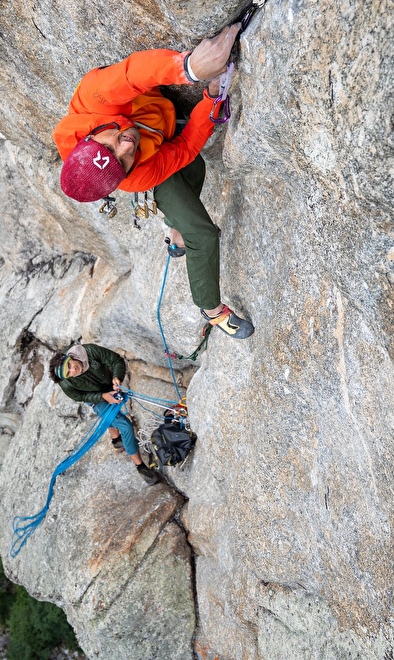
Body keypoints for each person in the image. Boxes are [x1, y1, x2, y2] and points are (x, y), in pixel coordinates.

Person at [52, 25, 254, 339]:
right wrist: (212, 97)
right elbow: (184, 147)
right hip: (158, 152)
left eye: (110, 146)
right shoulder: (133, 176)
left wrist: (189, 68)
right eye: (121, 161)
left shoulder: (92, 99)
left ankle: (175, 230)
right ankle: (212, 310)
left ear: (90, 136)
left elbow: (134, 75)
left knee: (195, 168)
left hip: (160, 131)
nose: (126, 146)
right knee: (202, 233)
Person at [50, 344, 159, 485]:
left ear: (69, 357)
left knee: (111, 414)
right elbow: (80, 397)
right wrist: (102, 397)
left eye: (70, 365)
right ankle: (141, 467)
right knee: (125, 425)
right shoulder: (66, 383)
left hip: (109, 382)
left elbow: (116, 360)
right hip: (95, 396)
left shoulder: (88, 351)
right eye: (69, 372)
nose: (73, 370)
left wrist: (117, 377)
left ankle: (116, 441)